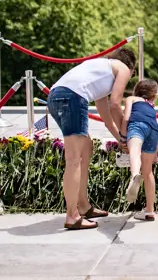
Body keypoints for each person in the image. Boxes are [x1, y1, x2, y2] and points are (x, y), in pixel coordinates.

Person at [47, 48, 136, 230]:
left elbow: (107, 119)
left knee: (86, 147)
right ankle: (72, 216)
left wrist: (121, 139)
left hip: (55, 96)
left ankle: (84, 206)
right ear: (131, 68)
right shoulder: (123, 69)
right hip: (73, 98)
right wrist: (128, 135)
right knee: (73, 159)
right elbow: (115, 105)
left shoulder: (100, 70)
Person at [121, 79, 158, 221]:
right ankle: (149, 211)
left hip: (137, 125)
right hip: (154, 131)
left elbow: (126, 118)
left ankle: (134, 176)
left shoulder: (131, 98)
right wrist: (155, 153)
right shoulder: (151, 106)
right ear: (153, 95)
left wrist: (123, 137)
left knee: (134, 151)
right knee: (148, 171)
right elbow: (153, 124)